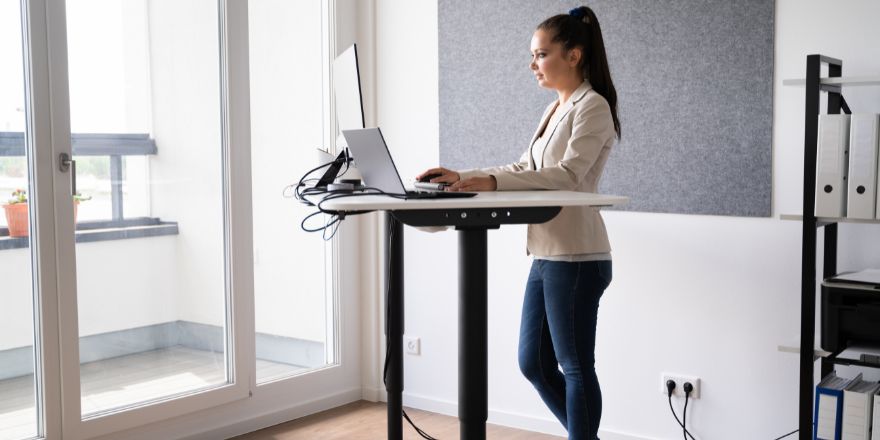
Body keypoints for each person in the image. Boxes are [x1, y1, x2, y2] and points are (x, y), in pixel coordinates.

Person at [416, 6, 620, 440]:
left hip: (578, 256)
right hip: (547, 253)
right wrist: (463, 176)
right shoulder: (555, 108)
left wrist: (489, 181)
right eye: (532, 55)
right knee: (533, 363)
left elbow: (566, 175)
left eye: (541, 54)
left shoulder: (593, 107)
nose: (532, 65)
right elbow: (524, 165)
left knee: (576, 366)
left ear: (574, 55)